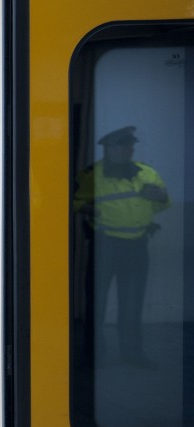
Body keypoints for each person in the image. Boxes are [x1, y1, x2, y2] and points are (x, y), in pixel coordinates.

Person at [73, 126, 169, 367]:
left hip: (137, 246)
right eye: (123, 146)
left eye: (131, 147)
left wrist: (159, 197)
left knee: (133, 303)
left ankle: (132, 354)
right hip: (104, 245)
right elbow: (74, 202)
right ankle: (93, 357)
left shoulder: (146, 174)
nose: (129, 150)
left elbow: (162, 203)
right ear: (108, 149)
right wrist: (88, 208)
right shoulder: (92, 175)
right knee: (97, 303)